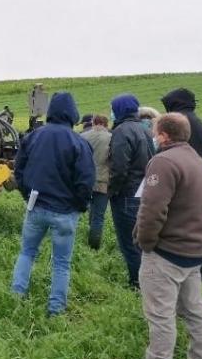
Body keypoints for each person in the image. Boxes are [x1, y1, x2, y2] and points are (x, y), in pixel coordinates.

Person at [118, 113, 202, 359]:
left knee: (161, 316)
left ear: (163, 136)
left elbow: (151, 211)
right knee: (196, 314)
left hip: (166, 253)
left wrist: (146, 243)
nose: (152, 134)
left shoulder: (163, 162)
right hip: (193, 251)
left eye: (154, 131)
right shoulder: (199, 164)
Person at [11, 92, 95, 316]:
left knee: (27, 252)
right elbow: (86, 181)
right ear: (72, 114)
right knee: (61, 263)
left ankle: (15, 297)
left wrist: (27, 194)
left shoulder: (33, 137)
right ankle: (56, 309)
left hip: (36, 206)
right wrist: (80, 205)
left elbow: (18, 170)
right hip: (65, 212)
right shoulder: (79, 142)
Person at [161, 88, 202, 282]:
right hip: (199, 181)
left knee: (178, 230)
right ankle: (200, 273)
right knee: (197, 229)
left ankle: (184, 273)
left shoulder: (178, 123)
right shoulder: (197, 121)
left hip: (181, 183)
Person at [108, 94, 155, 289]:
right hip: (143, 191)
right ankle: (148, 278)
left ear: (119, 110)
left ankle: (136, 283)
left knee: (129, 242)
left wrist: (112, 191)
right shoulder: (143, 130)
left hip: (126, 193)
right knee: (142, 239)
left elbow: (119, 168)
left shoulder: (121, 131)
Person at [80, 115, 111, 249]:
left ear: (93, 123)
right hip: (103, 181)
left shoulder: (83, 136)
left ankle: (87, 237)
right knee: (98, 216)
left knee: (88, 209)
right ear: (106, 124)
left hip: (85, 179)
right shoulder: (111, 138)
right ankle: (94, 247)